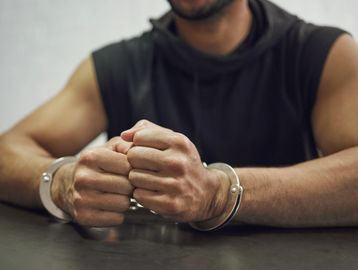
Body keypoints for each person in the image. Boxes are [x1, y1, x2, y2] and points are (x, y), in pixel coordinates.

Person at [1, 0, 358, 230]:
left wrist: (219, 194)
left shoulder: (320, 55)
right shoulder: (116, 66)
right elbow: (7, 152)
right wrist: (61, 182)